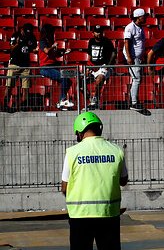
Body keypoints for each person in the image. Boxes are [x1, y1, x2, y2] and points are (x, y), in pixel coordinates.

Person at [62, 112, 128, 250]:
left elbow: (64, 187)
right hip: (109, 214)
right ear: (99, 128)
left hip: (80, 216)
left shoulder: (72, 152)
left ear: (79, 133)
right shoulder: (116, 150)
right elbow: (123, 180)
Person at [3, 23, 37, 112]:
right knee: (9, 85)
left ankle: (24, 106)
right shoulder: (16, 35)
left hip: (25, 65)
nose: (27, 34)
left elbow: (32, 48)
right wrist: (17, 43)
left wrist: (35, 50)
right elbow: (11, 48)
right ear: (22, 30)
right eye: (26, 32)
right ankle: (5, 105)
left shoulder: (31, 37)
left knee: (25, 87)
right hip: (14, 64)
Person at [39, 24, 74, 110]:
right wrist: (53, 46)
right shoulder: (43, 41)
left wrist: (64, 52)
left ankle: (61, 103)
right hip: (45, 68)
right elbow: (46, 51)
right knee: (64, 77)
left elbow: (55, 54)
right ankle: (62, 99)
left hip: (53, 67)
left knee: (68, 80)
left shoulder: (50, 42)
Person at [86, 25, 116, 110]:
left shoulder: (107, 42)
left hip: (104, 66)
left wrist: (108, 65)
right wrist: (88, 67)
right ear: (93, 33)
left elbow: (113, 54)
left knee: (99, 79)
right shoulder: (91, 41)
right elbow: (90, 56)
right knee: (80, 84)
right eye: (97, 32)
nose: (98, 34)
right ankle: (90, 100)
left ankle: (96, 98)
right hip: (93, 66)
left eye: (100, 32)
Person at [124, 8, 148, 111]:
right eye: (144, 16)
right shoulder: (130, 27)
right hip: (133, 58)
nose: (145, 18)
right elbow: (126, 42)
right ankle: (134, 102)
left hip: (138, 58)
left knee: (138, 79)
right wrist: (129, 57)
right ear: (138, 17)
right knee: (136, 78)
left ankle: (134, 100)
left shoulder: (140, 28)